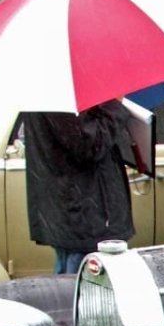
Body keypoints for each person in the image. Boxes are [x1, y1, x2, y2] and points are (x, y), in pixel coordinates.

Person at [21, 102, 135, 274]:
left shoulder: (46, 90)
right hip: (84, 213)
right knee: (82, 291)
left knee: (71, 285)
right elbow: (88, 145)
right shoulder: (59, 96)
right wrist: (114, 107)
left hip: (76, 210)